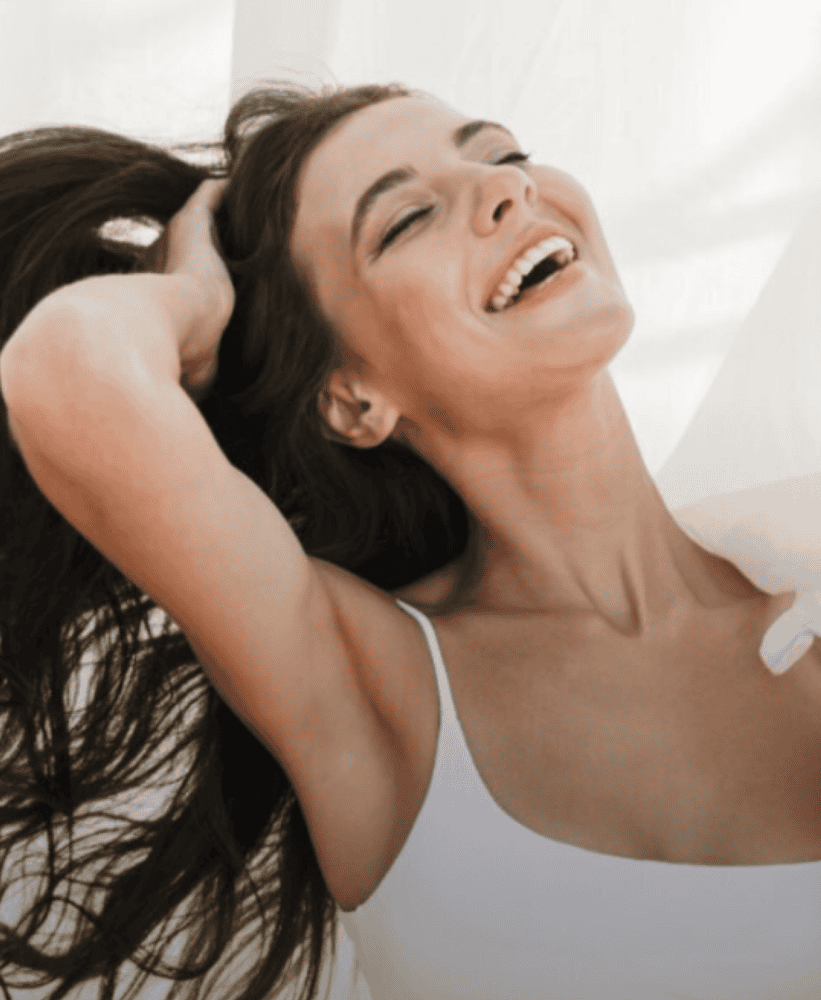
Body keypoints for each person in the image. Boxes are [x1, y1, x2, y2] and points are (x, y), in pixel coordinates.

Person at [1, 79, 821, 1000]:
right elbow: (67, 372)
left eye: (502, 154)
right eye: (406, 219)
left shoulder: (802, 562)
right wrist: (190, 299)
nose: (506, 191)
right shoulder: (374, 687)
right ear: (352, 400)